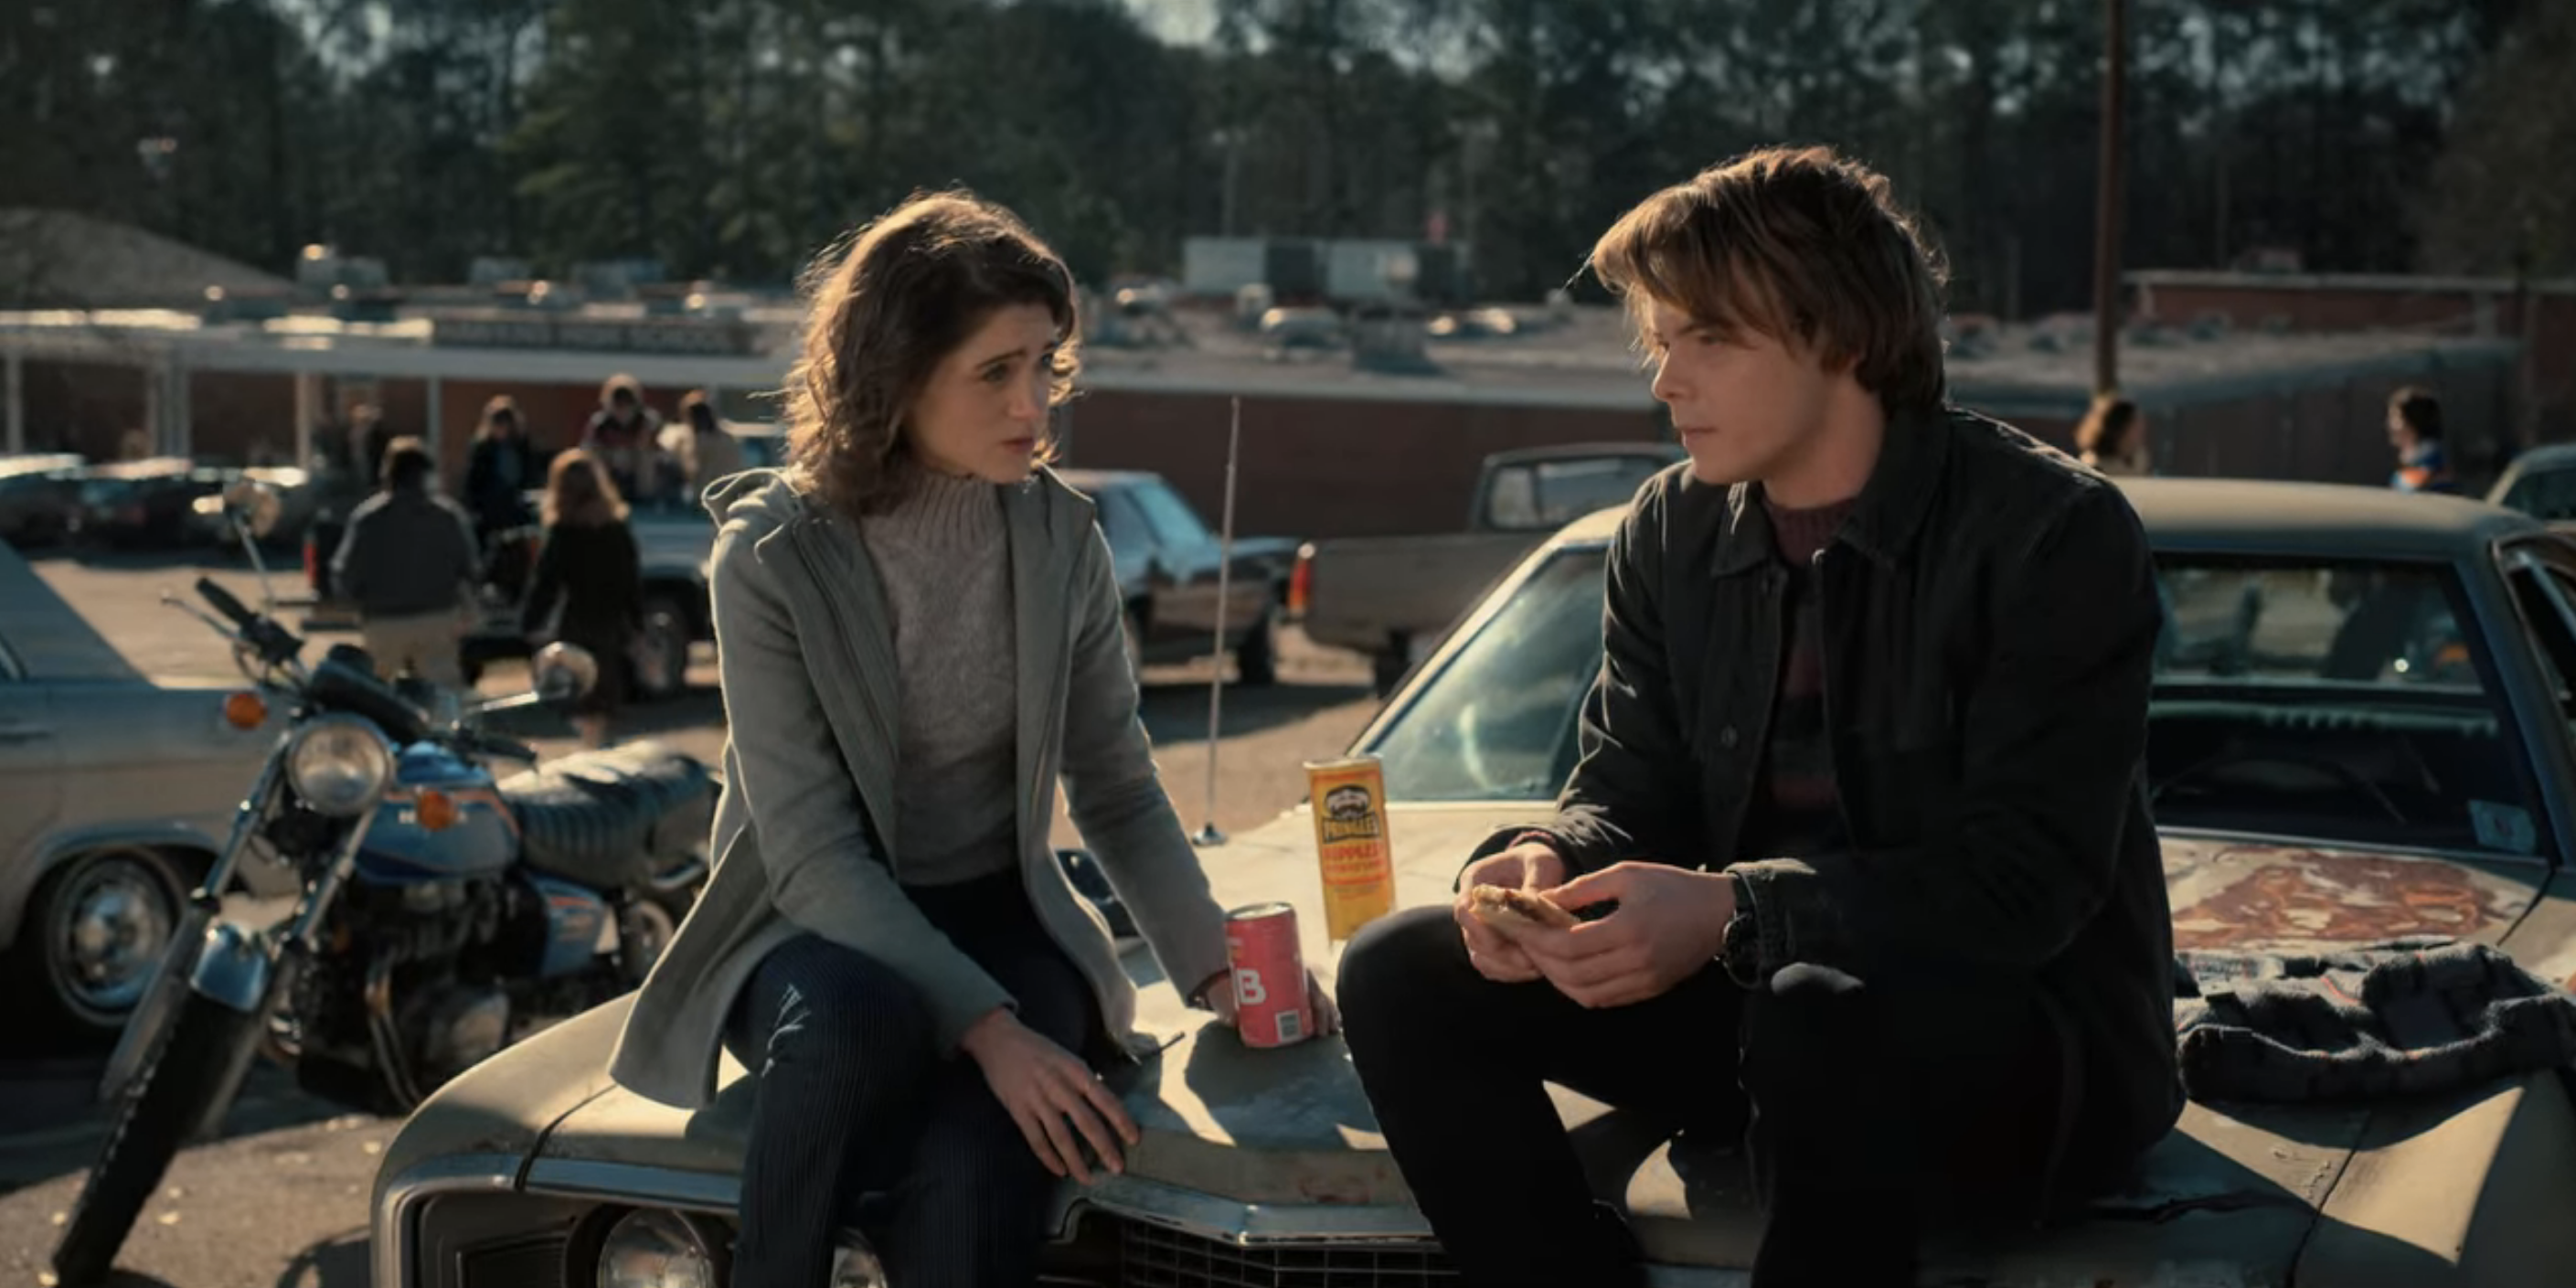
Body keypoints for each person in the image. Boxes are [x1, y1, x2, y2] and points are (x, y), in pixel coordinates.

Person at [1336, 145, 2180, 1288]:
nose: (1666, 381)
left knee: (1814, 1006)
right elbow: (1628, 787)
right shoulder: (1666, 532)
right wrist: (1543, 864)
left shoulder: (2051, 533)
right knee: (1401, 967)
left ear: (1838, 334)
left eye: (1709, 338)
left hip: (2018, 1046)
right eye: (1660, 342)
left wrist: (1734, 910)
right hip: (1757, 1021)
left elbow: (2024, 883)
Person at [603, 190, 1336, 1288]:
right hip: (810, 928)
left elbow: (1119, 788)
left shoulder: (1060, 537)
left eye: (1045, 363)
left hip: (1004, 909)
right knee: (863, 1024)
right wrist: (988, 1031)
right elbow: (808, 850)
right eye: (995, 371)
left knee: (1019, 1131)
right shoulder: (771, 555)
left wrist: (1215, 966)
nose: (1034, 404)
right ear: (895, 373)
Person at [331, 435, 481, 694]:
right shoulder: (446, 516)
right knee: (443, 691)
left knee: (378, 692)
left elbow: (347, 572)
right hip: (437, 617)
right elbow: (469, 567)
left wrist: (354, 601)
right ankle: (446, 732)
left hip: (383, 620)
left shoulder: (368, 519)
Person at [519, 450, 641, 748]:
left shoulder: (563, 532)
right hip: (610, 626)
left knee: (580, 698)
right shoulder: (616, 529)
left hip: (575, 623)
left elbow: (546, 582)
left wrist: (531, 622)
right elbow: (631, 581)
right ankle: (602, 750)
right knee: (605, 701)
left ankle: (589, 752)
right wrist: (637, 625)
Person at [463, 396, 543, 599]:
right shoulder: (482, 449)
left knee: (519, 550)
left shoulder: (521, 447)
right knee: (488, 551)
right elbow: (474, 482)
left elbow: (529, 476)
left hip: (516, 508)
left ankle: (516, 588)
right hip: (490, 511)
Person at [583, 373, 661, 501]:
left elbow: (653, 446)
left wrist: (634, 446)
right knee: (595, 457)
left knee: (646, 457)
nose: (623, 409)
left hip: (638, 467)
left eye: (627, 403)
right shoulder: (600, 423)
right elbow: (588, 448)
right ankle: (602, 495)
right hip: (611, 466)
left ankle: (646, 497)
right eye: (618, 403)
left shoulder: (646, 421)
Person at [673, 388, 749, 498]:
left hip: (714, 492)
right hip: (733, 490)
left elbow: (699, 473)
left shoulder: (703, 440)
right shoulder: (727, 436)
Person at [2388, 385, 2456, 494]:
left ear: (2413, 423)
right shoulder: (2414, 469)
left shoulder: (2426, 476)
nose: (2390, 425)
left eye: (2396, 418)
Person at [2074, 391, 2152, 476]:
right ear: (2120, 427)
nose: (2142, 429)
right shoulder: (2094, 465)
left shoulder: (2139, 458)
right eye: (2135, 424)